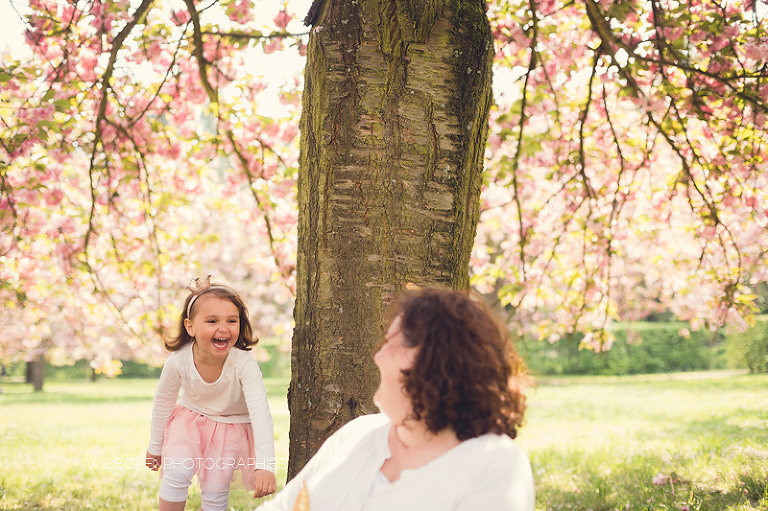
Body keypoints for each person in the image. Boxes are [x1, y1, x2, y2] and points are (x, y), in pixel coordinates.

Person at [257, 287, 535, 510]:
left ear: (432, 360)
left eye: (391, 342)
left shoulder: (493, 465)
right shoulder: (358, 434)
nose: (378, 355)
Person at [146, 276, 277, 511]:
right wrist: (155, 446)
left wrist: (265, 465)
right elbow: (163, 402)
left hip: (231, 429)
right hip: (189, 424)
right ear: (190, 327)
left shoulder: (243, 363)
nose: (223, 328)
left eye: (232, 320)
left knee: (216, 490)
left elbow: (261, 414)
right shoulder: (178, 361)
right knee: (175, 473)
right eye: (212, 321)